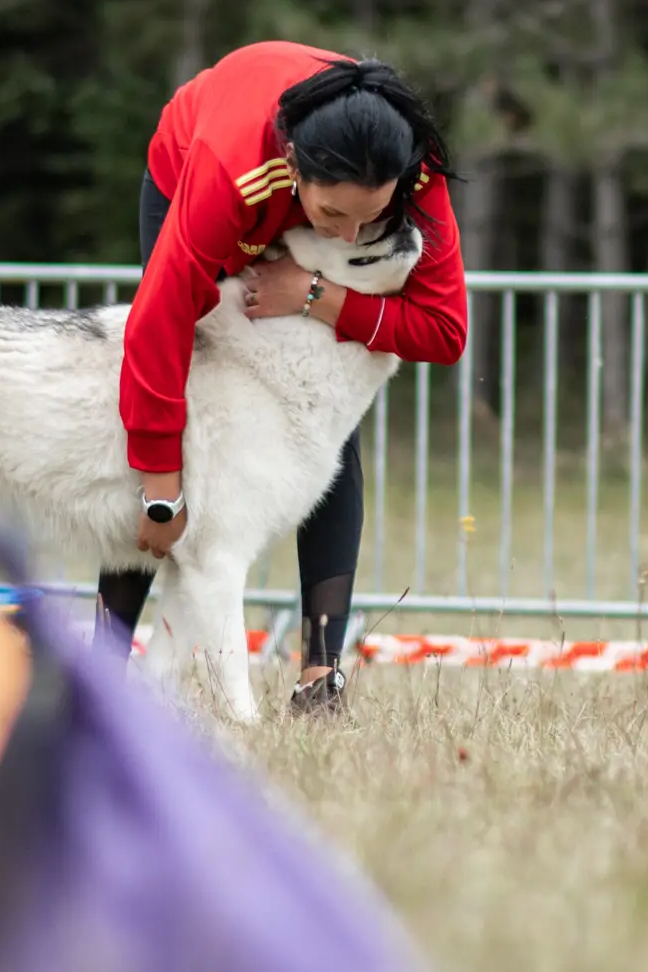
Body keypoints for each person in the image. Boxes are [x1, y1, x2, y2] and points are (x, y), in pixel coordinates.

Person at [101, 39, 468, 715]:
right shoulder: (229, 171)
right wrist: (160, 492)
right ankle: (102, 667)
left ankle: (320, 678)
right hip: (194, 167)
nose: (356, 236)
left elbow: (446, 333)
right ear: (297, 167)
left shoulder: (411, 167)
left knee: (323, 423)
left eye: (373, 217)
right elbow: (157, 326)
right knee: (180, 399)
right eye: (336, 218)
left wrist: (313, 293)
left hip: (300, 219)